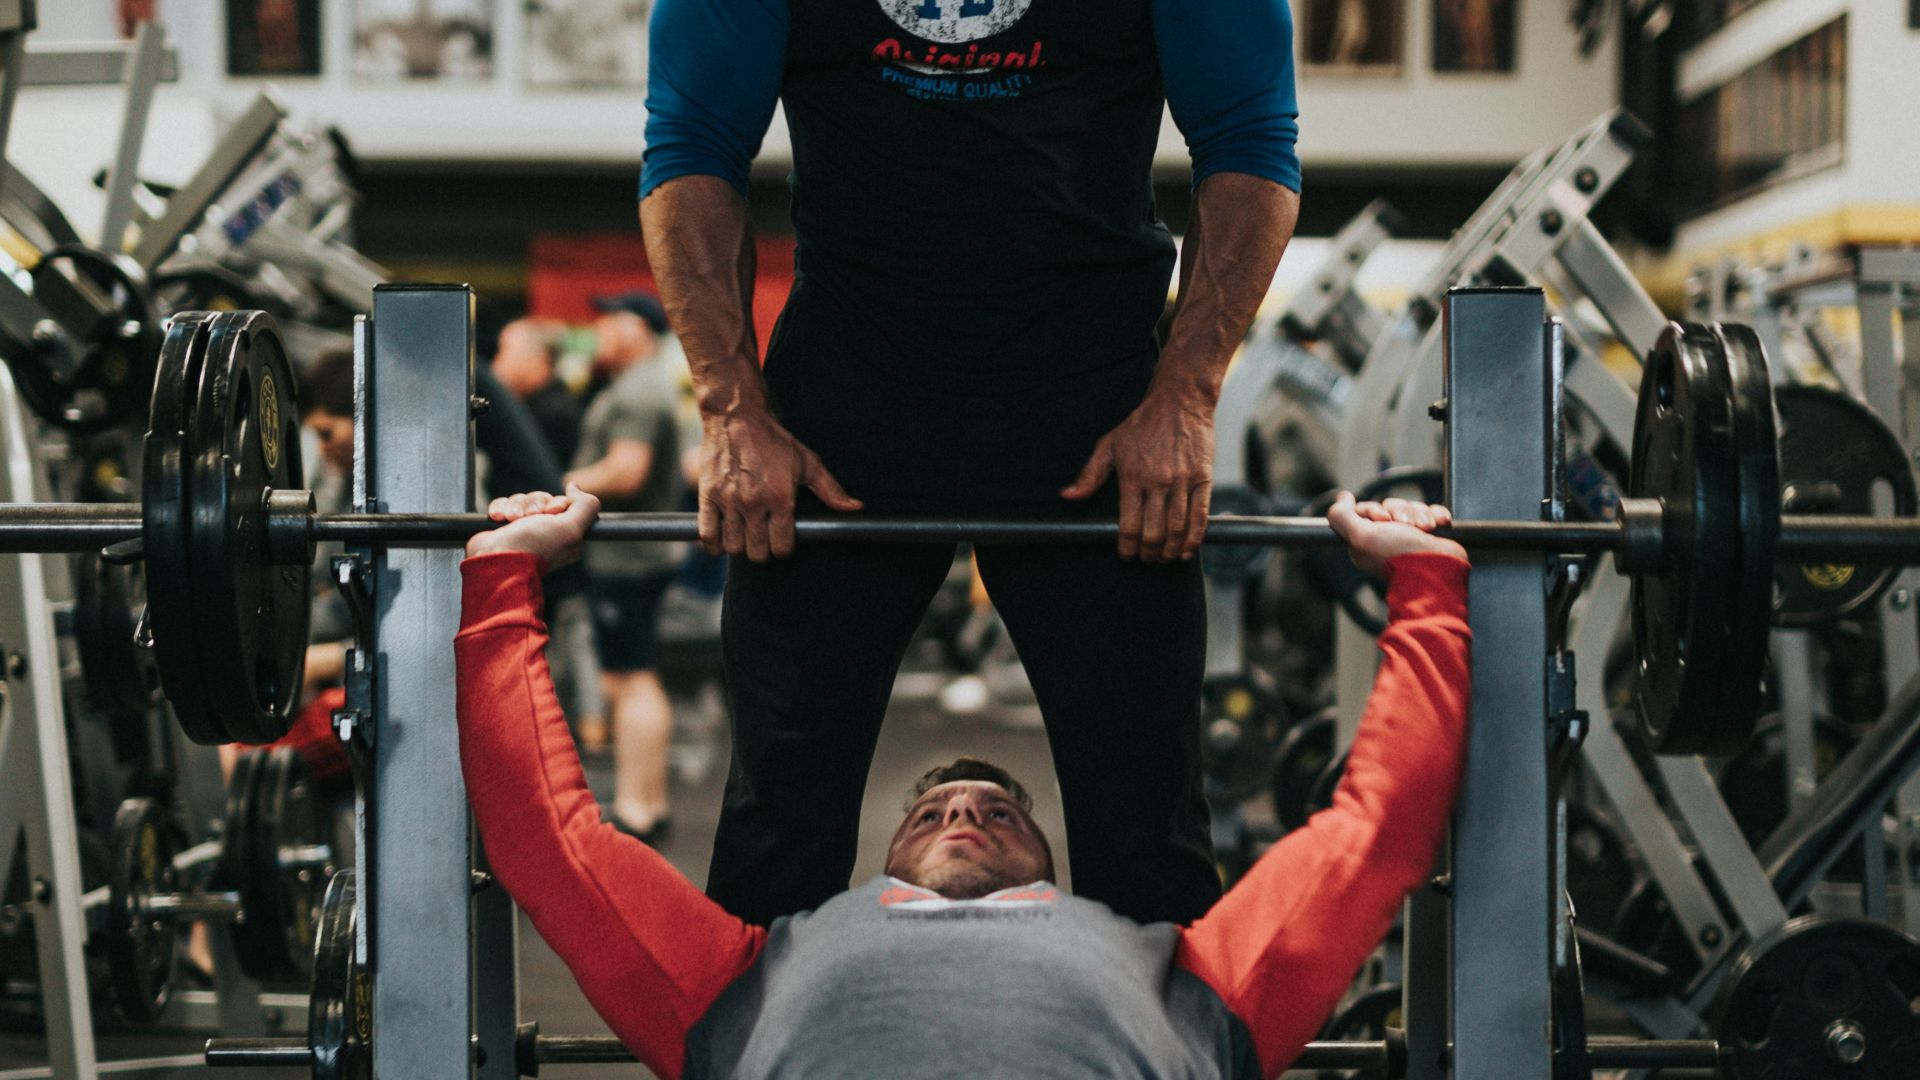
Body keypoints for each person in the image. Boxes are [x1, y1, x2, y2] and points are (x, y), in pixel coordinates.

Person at [639, 0, 1302, 927]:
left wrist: (1185, 398)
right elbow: (693, 147)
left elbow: (1251, 144)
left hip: (1089, 399)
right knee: (777, 821)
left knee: (1148, 826)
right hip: (846, 398)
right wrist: (732, 408)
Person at [456, 487, 1467, 1079]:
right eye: (939, 809)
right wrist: (503, 570)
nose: (966, 811)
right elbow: (551, 841)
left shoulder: (1182, 976)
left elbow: (1376, 836)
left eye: (994, 810)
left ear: (1056, 882)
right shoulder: (747, 978)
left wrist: (1429, 581)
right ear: (878, 872)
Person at [564, 291, 685, 838]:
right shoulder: (638, 384)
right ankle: (643, 802)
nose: (602, 332)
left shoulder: (639, 390)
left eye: (611, 321)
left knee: (631, 679)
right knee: (627, 678)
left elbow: (626, 470)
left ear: (638, 329)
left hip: (630, 559)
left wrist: (557, 489)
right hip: (629, 557)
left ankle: (640, 809)